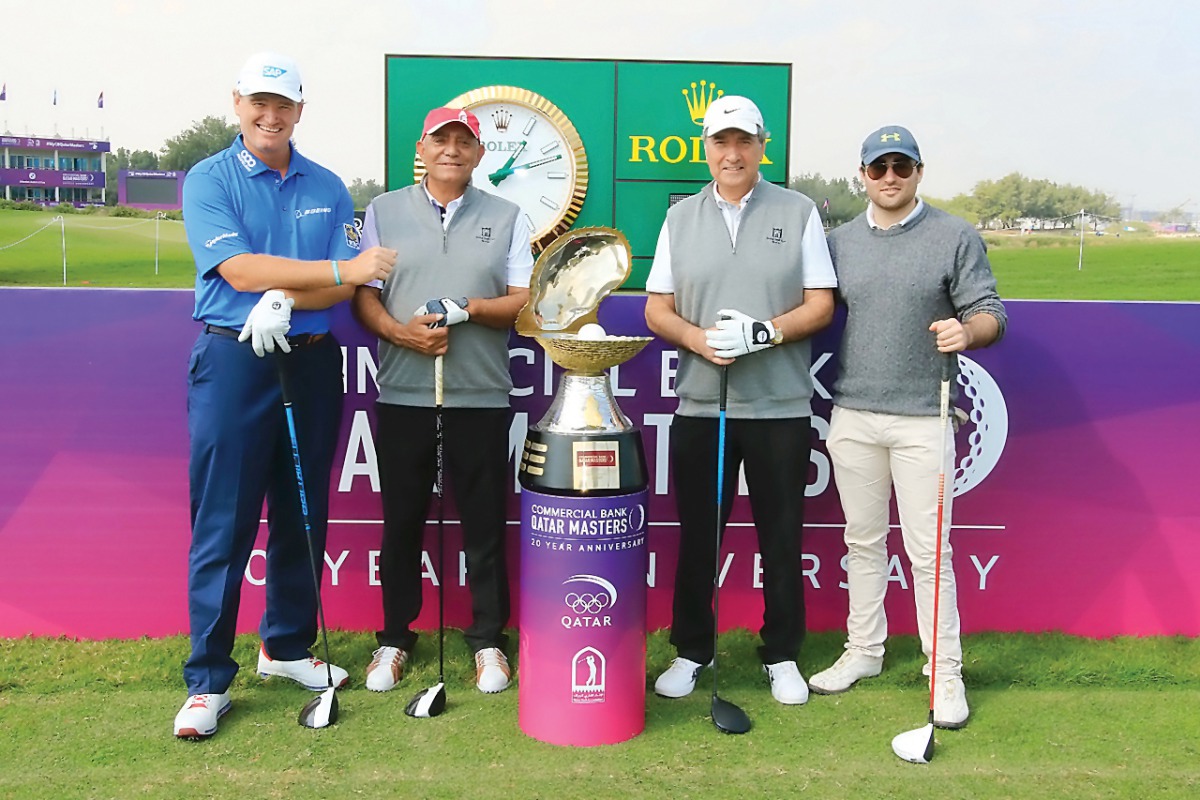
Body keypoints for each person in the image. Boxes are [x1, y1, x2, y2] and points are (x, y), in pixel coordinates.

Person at [173, 52, 397, 740]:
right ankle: (208, 679)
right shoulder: (208, 178)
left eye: (283, 105)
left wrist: (295, 289)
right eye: (258, 103)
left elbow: (342, 288)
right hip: (234, 357)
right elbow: (236, 266)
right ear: (236, 102)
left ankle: (288, 648)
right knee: (225, 520)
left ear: (301, 110)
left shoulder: (327, 185)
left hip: (308, 359)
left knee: (303, 512)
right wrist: (284, 286)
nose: (270, 116)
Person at [808, 125, 1006, 729]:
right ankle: (864, 650)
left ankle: (943, 672)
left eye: (901, 166)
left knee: (928, 553)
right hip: (853, 412)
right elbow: (814, 305)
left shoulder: (953, 236)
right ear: (862, 176)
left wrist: (966, 332)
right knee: (862, 543)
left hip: (925, 414)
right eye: (878, 168)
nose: (889, 177)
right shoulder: (839, 242)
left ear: (919, 172)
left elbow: (989, 312)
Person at [644, 95, 837, 706]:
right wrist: (696, 339)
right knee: (700, 535)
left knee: (782, 536)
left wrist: (766, 332)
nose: (732, 154)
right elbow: (656, 308)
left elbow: (821, 303)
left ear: (761, 146)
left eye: (744, 142)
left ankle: (781, 654)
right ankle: (692, 650)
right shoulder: (680, 218)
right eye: (721, 143)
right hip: (705, 404)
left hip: (778, 403)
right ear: (707, 147)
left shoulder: (798, 210)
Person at [352, 107, 533, 695]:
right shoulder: (383, 212)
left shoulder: (506, 215)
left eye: (465, 142)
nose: (453, 150)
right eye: (442, 140)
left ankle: (487, 642)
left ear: (480, 155)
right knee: (401, 522)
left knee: (483, 522)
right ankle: (394, 639)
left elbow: (522, 302)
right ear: (422, 148)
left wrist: (470, 308)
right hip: (405, 390)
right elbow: (366, 297)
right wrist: (401, 334)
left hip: (479, 394)